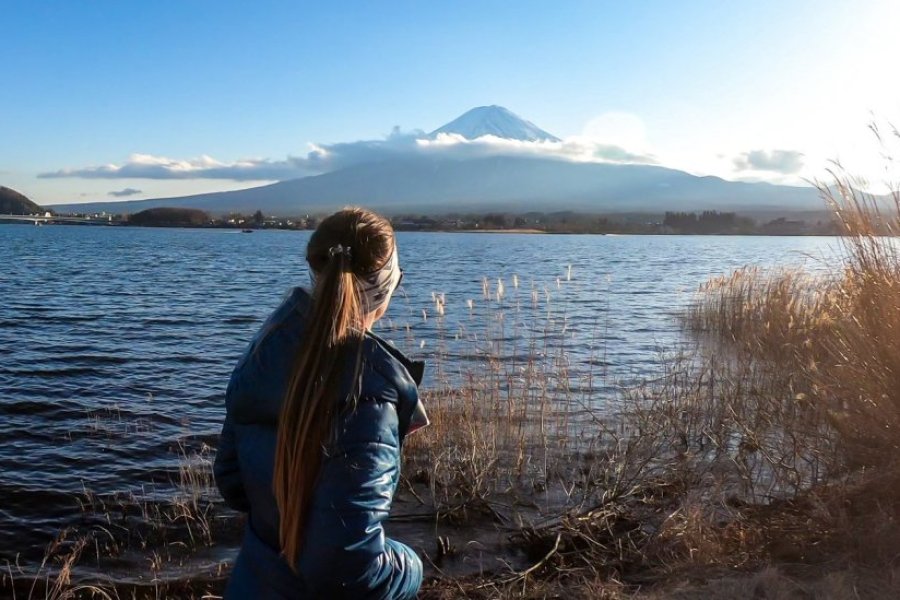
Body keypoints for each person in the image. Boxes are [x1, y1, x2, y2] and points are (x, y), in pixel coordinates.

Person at [214, 207, 425, 599]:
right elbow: (350, 570)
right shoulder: (369, 397)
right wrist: (411, 565)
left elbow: (232, 480)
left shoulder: (265, 352)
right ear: (386, 288)